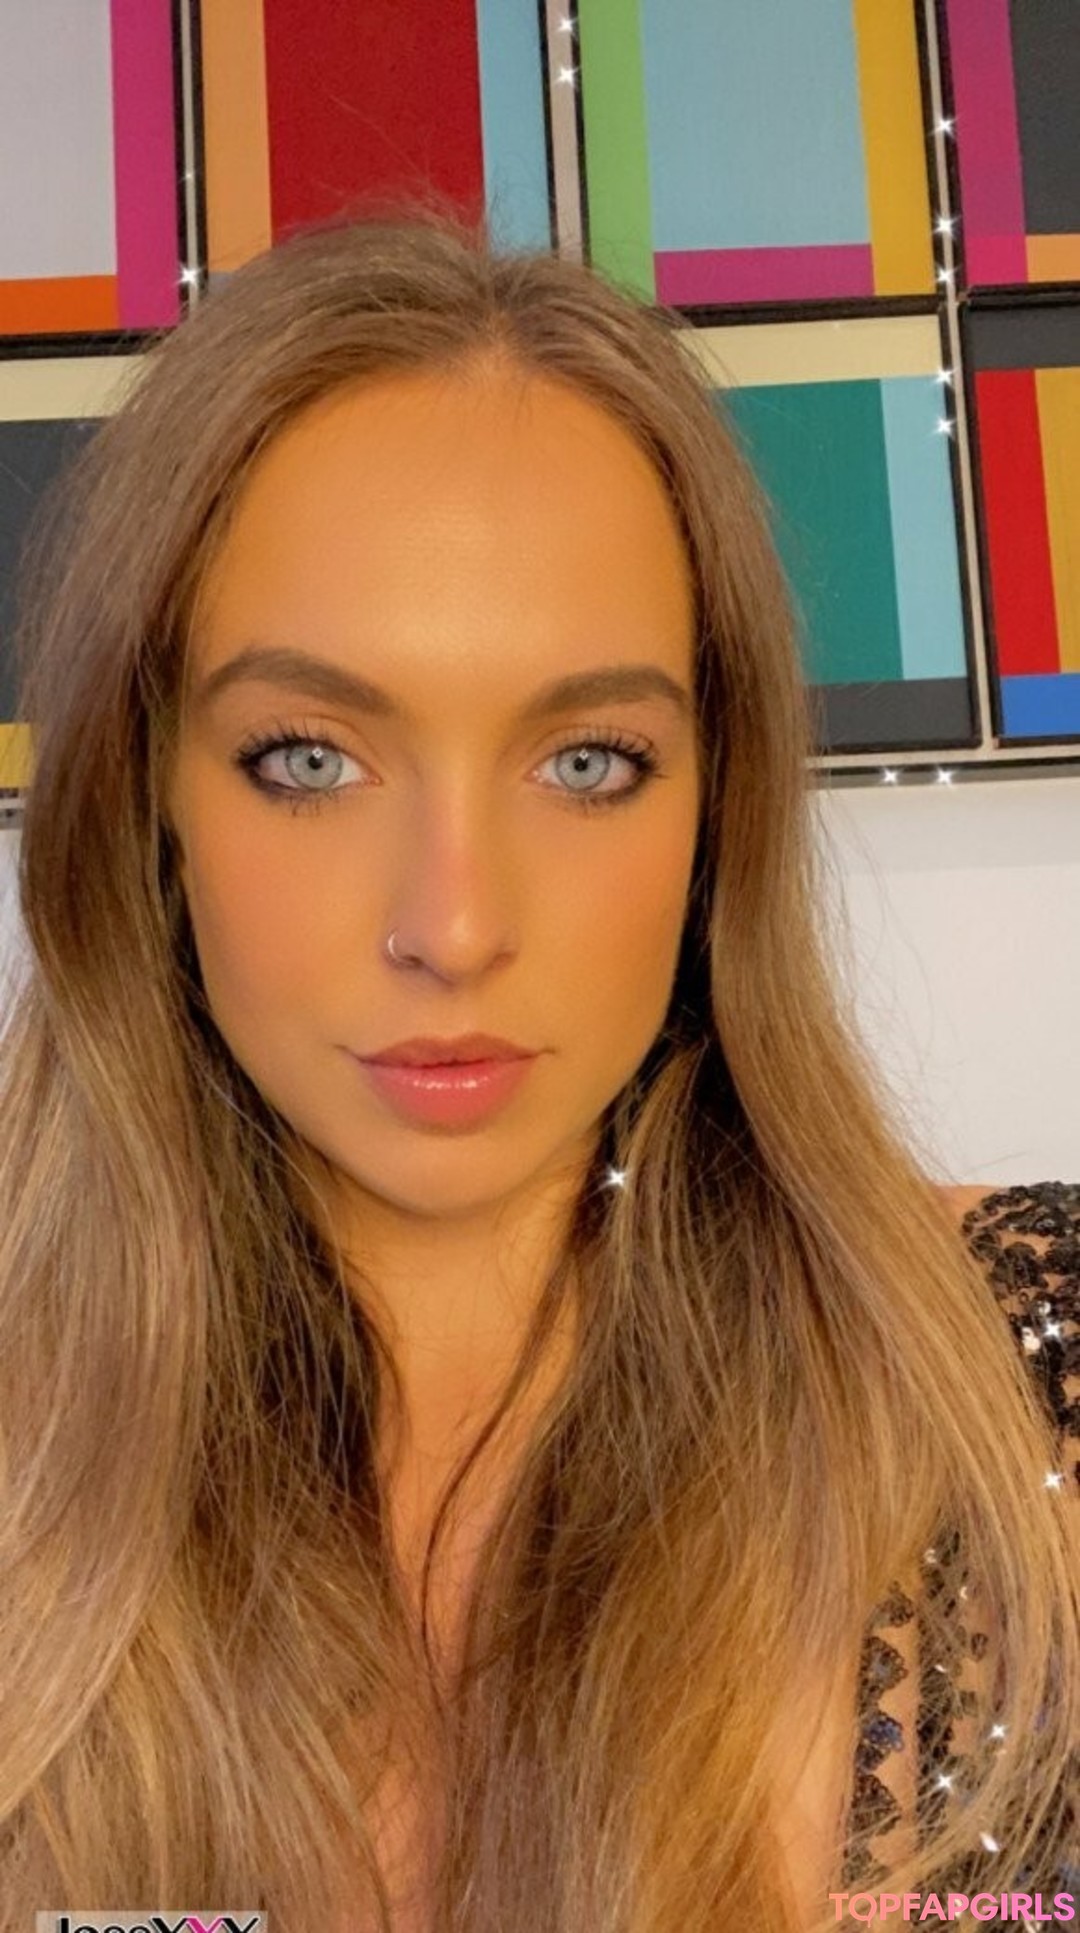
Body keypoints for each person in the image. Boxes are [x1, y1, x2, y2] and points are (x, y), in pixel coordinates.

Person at [0, 201, 1075, 1933]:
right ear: (148, 803)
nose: (454, 924)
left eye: (586, 761)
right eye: (308, 757)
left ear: (716, 806)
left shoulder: (1034, 1382)